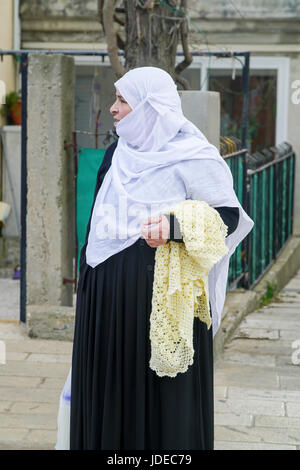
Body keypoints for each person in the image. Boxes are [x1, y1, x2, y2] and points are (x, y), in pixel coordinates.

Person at [66, 67, 253, 450]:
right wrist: (87, 288)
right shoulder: (116, 153)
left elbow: (230, 218)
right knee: (109, 392)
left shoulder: (194, 156)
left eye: (122, 100)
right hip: (106, 300)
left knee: (162, 405)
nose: (112, 109)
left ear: (151, 107)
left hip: (165, 302)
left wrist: (174, 226)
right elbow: (97, 224)